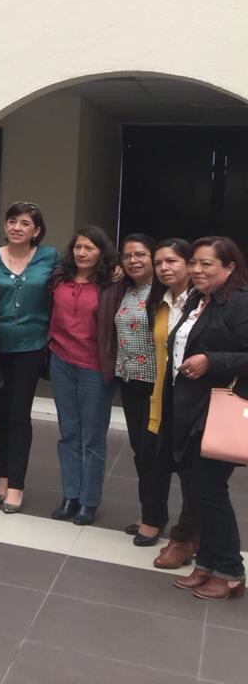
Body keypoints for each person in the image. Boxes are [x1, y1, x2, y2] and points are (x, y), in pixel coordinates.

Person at [168, 236, 248, 601]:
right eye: (194, 263)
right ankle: (208, 563)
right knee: (202, 489)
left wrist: (211, 361)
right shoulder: (201, 300)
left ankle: (230, 571)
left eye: (206, 264)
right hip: (194, 406)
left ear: (229, 267)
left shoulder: (239, 302)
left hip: (219, 408)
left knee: (210, 490)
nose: (197, 270)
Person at [0, 202, 58, 513]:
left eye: (25, 223)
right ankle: (3, 475)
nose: (17, 227)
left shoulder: (49, 257)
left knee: (19, 415)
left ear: (36, 231)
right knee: (0, 414)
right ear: (5, 226)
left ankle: (16, 484)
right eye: (12, 221)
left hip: (31, 347)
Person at [47, 225, 123, 527]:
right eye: (78, 247)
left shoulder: (112, 284)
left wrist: (120, 270)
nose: (81, 253)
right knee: (68, 433)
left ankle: (89, 501)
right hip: (61, 362)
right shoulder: (59, 278)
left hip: (94, 366)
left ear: (102, 252)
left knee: (92, 438)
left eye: (89, 248)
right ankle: (70, 495)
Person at [147, 239, 201, 570]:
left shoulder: (205, 302)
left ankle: (185, 537)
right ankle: (191, 534)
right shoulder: (161, 301)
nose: (164, 268)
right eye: (159, 263)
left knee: (195, 473)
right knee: (171, 464)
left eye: (172, 261)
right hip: (167, 395)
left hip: (197, 400)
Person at [111, 234, 165, 545]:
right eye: (127, 255)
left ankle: (154, 519)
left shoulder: (163, 292)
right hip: (129, 381)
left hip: (154, 384)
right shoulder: (126, 290)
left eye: (140, 254)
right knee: (140, 452)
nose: (133, 260)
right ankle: (149, 512)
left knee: (152, 454)